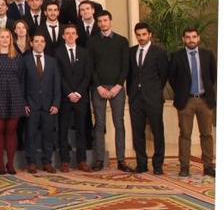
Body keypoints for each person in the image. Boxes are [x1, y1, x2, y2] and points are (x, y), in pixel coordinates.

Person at [169, 27, 216, 178]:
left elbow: (213, 76)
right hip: (186, 100)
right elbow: (172, 78)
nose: (191, 40)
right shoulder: (177, 56)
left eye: (194, 37)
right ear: (183, 39)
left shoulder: (208, 55)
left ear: (198, 38)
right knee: (185, 135)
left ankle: (208, 166)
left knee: (207, 134)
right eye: (188, 37)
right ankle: (184, 167)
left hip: (204, 100)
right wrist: (182, 92)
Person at [87, 10, 131, 172]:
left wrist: (119, 85)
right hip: (98, 88)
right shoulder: (92, 42)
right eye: (100, 21)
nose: (103, 23)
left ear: (110, 21)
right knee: (99, 124)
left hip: (117, 87)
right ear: (97, 23)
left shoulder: (122, 41)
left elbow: (125, 66)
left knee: (119, 123)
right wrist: (98, 86)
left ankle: (121, 160)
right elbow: (90, 66)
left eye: (105, 20)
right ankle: (99, 160)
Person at [126, 22, 168, 175]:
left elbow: (163, 75)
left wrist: (154, 91)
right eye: (138, 35)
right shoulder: (131, 52)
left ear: (150, 35)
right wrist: (131, 93)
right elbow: (129, 75)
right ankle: (141, 164)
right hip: (136, 99)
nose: (141, 37)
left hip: (153, 98)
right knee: (137, 132)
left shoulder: (159, 52)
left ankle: (158, 166)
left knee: (157, 131)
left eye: (144, 34)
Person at [54, 24, 93, 172]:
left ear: (77, 36)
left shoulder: (84, 53)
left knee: (81, 129)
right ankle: (64, 161)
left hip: (81, 97)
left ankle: (82, 160)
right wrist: (69, 92)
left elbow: (87, 75)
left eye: (73, 33)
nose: (70, 36)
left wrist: (78, 93)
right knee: (63, 129)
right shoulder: (57, 53)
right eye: (67, 33)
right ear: (63, 36)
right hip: (65, 97)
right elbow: (58, 75)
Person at [0, 28, 25, 174]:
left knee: (11, 131)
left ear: (11, 40)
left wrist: (23, 100)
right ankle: (0, 165)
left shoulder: (18, 58)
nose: (5, 40)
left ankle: (10, 164)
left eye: (7, 37)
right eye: (2, 37)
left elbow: (22, 79)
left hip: (15, 96)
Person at [24, 33, 60, 174]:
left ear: (45, 44)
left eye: (42, 41)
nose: (39, 44)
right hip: (31, 105)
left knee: (48, 135)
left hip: (48, 105)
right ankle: (31, 162)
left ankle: (47, 162)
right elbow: (22, 83)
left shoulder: (52, 61)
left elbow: (56, 84)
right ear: (31, 43)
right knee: (30, 135)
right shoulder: (25, 61)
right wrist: (24, 103)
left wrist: (56, 103)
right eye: (36, 41)